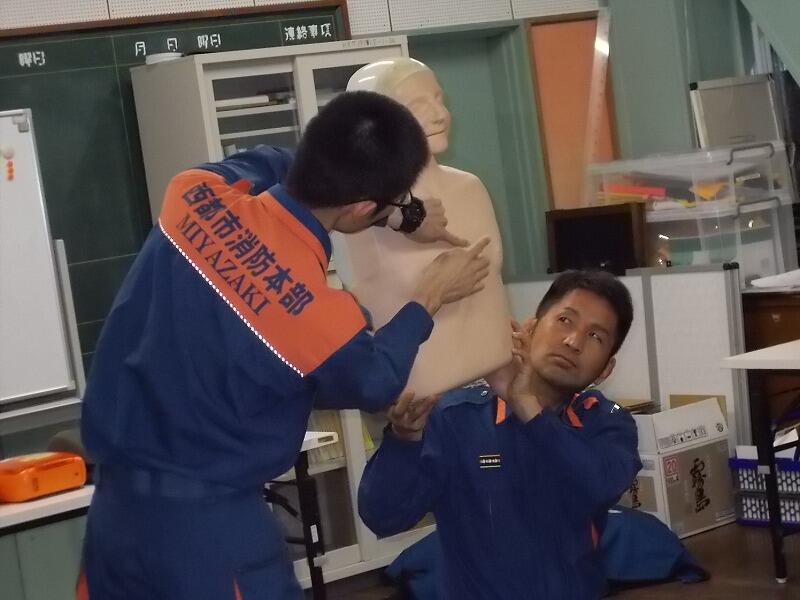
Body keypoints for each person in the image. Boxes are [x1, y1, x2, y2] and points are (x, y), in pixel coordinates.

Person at [79, 91, 491, 599]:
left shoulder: (192, 193)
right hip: (205, 533)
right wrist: (431, 295)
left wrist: (398, 213)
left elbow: (275, 160)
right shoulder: (319, 317)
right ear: (362, 207)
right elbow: (376, 379)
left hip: (112, 517)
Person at [358, 270, 642, 599]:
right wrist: (404, 438)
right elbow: (383, 517)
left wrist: (525, 404)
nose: (573, 342)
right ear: (530, 328)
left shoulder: (606, 423)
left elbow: (598, 485)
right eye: (565, 320)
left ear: (605, 369)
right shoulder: (456, 418)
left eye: (595, 336)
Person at [335, 58, 512, 399]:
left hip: (496, 379)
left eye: (439, 99)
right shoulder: (357, 221)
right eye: (418, 105)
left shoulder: (471, 188)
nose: (440, 114)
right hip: (425, 397)